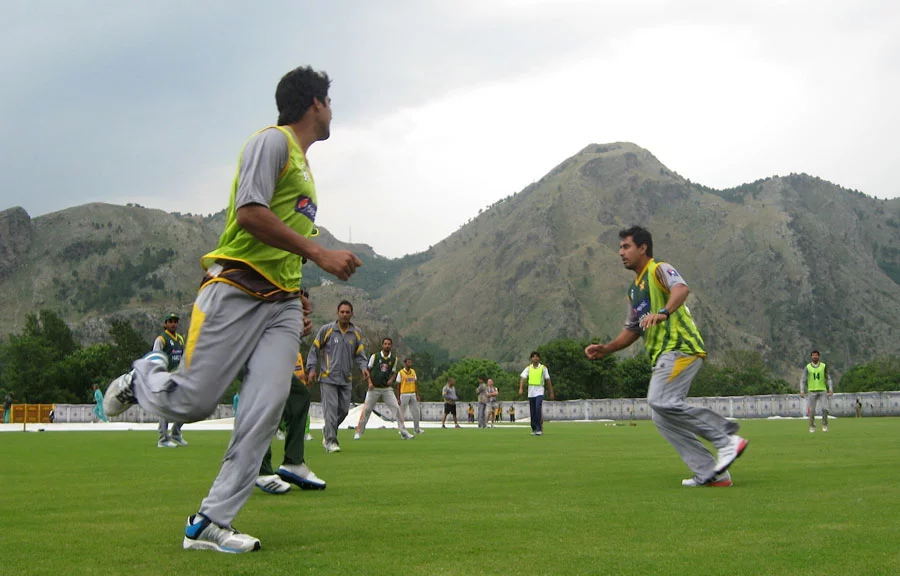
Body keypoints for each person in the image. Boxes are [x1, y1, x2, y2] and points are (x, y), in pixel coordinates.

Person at [103, 65, 362, 553]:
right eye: (328, 101)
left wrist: (300, 297)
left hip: (281, 305)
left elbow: (286, 238)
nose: (332, 111)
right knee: (194, 402)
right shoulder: (273, 142)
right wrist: (320, 254)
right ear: (314, 104)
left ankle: (209, 522)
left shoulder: (306, 168)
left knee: (265, 412)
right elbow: (249, 211)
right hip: (236, 289)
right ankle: (144, 377)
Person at [584, 226, 747, 488]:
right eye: (620, 247)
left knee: (659, 400)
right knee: (662, 415)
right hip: (662, 355)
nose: (620, 253)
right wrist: (607, 349)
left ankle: (725, 439)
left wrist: (664, 312)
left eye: (626, 246)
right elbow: (632, 329)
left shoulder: (659, 269)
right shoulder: (634, 291)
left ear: (643, 247)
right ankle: (711, 473)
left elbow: (681, 289)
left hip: (681, 347)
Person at [255, 349, 326, 494]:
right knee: (263, 397)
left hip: (269, 349)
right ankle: (260, 469)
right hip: (246, 346)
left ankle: (293, 463)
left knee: (298, 395)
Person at [307, 300, 370, 453]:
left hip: (346, 379)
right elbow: (314, 349)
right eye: (342, 312)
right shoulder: (327, 330)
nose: (344, 315)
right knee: (331, 410)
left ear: (352, 314)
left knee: (343, 411)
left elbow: (360, 355)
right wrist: (311, 369)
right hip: (328, 377)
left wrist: (364, 368)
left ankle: (327, 430)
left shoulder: (355, 333)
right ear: (337, 313)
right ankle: (331, 442)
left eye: (347, 312)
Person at [355, 337, 412, 440]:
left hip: (386, 389)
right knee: (367, 410)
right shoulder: (375, 357)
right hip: (374, 388)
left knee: (396, 409)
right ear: (382, 345)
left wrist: (391, 379)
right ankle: (358, 432)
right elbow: (368, 371)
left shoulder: (393, 359)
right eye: (385, 344)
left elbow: (394, 372)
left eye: (389, 344)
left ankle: (403, 432)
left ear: (391, 346)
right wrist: (370, 383)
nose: (387, 346)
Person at [154, 313, 187, 448]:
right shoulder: (161, 339)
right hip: (165, 377)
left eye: (175, 321)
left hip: (178, 377)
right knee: (165, 408)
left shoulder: (179, 339)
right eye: (171, 321)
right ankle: (163, 439)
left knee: (186, 406)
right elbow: (155, 358)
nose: (173, 324)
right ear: (165, 324)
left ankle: (175, 433)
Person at [518, 352, 555, 436]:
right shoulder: (528, 368)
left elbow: (548, 380)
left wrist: (551, 392)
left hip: (539, 390)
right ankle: (534, 428)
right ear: (531, 359)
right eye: (533, 357)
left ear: (539, 358)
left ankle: (539, 428)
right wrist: (521, 388)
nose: (535, 358)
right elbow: (523, 378)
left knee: (538, 407)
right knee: (533, 411)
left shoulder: (543, 368)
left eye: (536, 356)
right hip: (531, 391)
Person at [800, 350, 834, 433]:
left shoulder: (823, 366)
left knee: (825, 409)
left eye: (816, 355)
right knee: (812, 410)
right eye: (813, 355)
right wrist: (802, 390)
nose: (815, 357)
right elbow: (803, 379)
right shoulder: (808, 367)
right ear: (811, 357)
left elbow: (828, 378)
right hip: (812, 390)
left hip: (822, 390)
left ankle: (824, 425)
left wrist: (830, 388)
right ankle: (812, 426)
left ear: (819, 356)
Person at [397, 358, 424, 435]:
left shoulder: (413, 371)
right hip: (404, 394)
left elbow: (415, 383)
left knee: (416, 412)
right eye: (408, 362)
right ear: (405, 364)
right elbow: (398, 385)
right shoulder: (401, 373)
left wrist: (417, 394)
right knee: (401, 413)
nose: (410, 364)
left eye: (411, 362)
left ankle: (417, 429)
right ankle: (401, 429)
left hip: (412, 394)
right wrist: (398, 398)